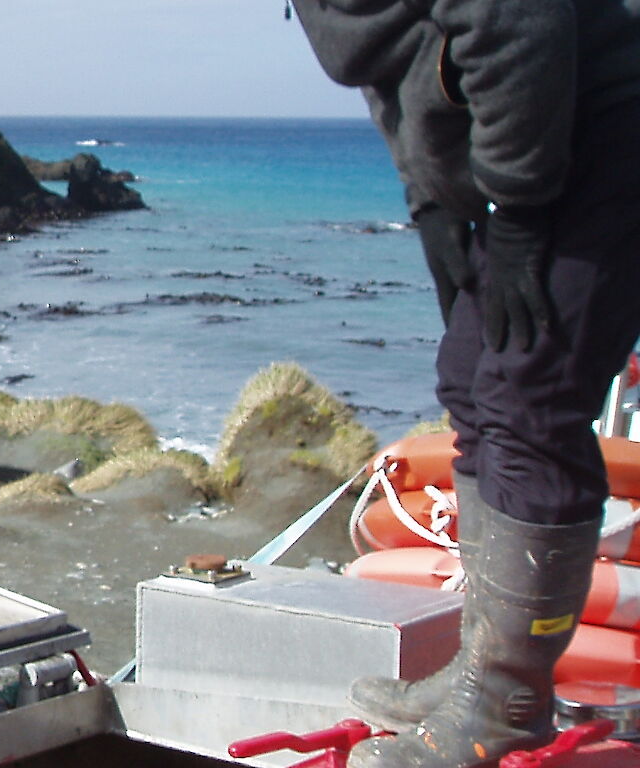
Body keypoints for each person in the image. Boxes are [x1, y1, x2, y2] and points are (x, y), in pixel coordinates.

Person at [290, 2, 640, 766]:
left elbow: (521, 18)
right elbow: (400, 68)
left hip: (604, 129)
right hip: (545, 145)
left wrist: (515, 212)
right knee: (472, 380)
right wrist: (429, 201)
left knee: (530, 397)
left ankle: (507, 703)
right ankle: (480, 673)